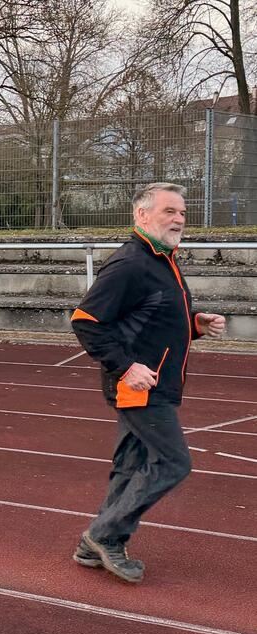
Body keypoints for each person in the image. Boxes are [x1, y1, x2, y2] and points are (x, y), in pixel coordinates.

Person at [70, 182, 225, 584]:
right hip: (139, 386)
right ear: (141, 215)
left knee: (130, 465)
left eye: (182, 213)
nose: (178, 220)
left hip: (154, 382)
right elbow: (86, 322)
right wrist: (126, 368)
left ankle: (95, 545)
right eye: (169, 211)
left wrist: (196, 325)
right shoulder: (131, 264)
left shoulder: (163, 258)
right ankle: (105, 534)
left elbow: (153, 318)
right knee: (174, 462)